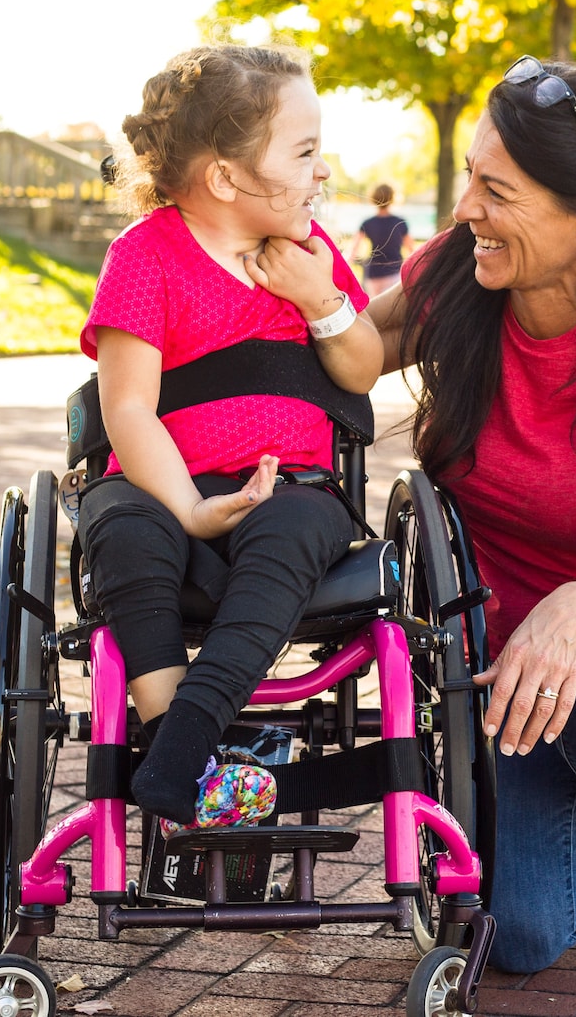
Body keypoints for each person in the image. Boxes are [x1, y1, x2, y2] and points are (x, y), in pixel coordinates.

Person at [255, 55, 576, 973]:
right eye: (469, 181)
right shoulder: (461, 278)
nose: (464, 211)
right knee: (522, 940)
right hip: (512, 679)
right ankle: (574, 805)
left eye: (497, 191)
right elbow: (350, 350)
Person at [79, 44, 381, 830]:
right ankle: (189, 753)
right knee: (121, 529)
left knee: (290, 530)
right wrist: (184, 507)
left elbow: (363, 368)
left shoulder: (310, 257)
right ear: (225, 178)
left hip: (290, 487)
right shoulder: (145, 258)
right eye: (306, 151)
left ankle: (177, 750)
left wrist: (323, 302)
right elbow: (131, 411)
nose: (323, 172)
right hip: (160, 482)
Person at [352, 183, 412, 296]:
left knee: (374, 309)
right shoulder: (400, 222)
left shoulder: (367, 223)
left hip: (374, 273)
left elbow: (354, 249)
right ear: (392, 198)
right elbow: (411, 249)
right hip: (395, 273)